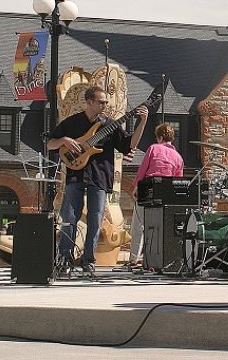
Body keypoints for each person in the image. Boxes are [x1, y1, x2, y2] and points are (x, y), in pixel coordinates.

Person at [47, 85, 148, 279]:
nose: (105, 105)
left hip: (100, 176)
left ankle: (89, 261)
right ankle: (64, 260)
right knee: (69, 217)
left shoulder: (110, 125)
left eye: (106, 102)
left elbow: (129, 146)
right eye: (101, 102)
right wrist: (65, 141)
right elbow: (50, 143)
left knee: (96, 219)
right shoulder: (72, 123)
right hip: (75, 174)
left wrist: (142, 122)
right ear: (89, 102)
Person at [130, 123, 184, 268]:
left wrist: (136, 186)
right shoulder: (178, 157)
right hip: (166, 193)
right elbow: (178, 181)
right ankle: (160, 258)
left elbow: (143, 169)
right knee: (161, 225)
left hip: (149, 189)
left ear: (159, 137)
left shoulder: (153, 148)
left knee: (138, 224)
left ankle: (134, 259)